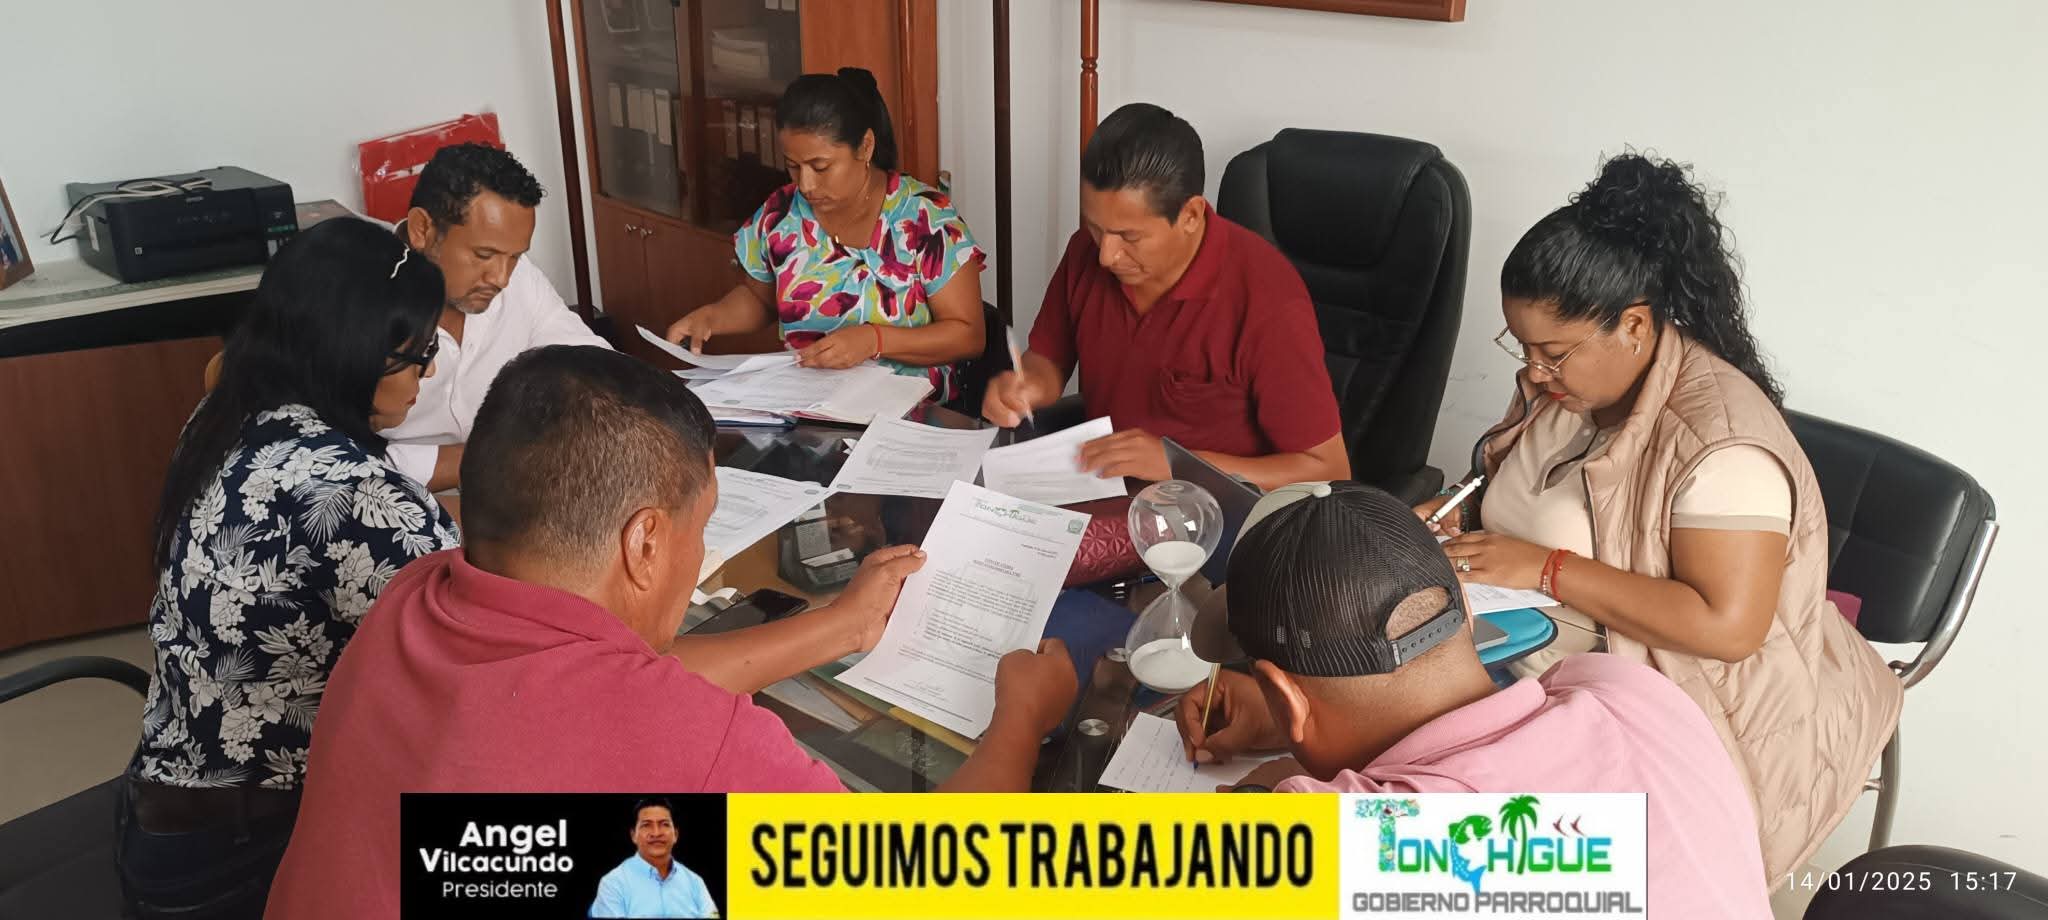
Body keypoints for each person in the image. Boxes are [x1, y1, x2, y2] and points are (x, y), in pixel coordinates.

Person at [266, 346, 1077, 919]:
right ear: (645, 542)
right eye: (703, 525)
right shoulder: (692, 749)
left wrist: (843, 625)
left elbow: (609, 684)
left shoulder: (413, 599)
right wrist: (1021, 719)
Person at [1417, 154, 1901, 878]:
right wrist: (1467, 511)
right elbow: (1542, 494)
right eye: (1521, 347)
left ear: (1635, 326)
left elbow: (1727, 628)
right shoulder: (1569, 391)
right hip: (1523, 656)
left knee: (1434, 847)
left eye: (1553, 353)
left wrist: (1547, 568)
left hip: (1668, 708)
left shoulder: (1721, 448)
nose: (1533, 372)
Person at [1179, 482, 1772, 918]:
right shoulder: (1628, 690)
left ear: (1284, 697)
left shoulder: (1365, 854)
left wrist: (1268, 789)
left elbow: (1127, 867)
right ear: (1466, 607)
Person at [118, 218, 459, 919]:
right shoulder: (360, 497)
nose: (428, 373)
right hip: (247, 855)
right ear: (352, 349)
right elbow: (482, 671)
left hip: (164, 808)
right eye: (418, 354)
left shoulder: (226, 414)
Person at [981, 102, 1347, 490]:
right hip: (1105, 488)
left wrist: (1178, 463)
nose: (1106, 255)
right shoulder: (1085, 252)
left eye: (1129, 236)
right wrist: (1028, 386)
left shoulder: (1267, 302)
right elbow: (1049, 360)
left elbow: (1328, 470)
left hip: (1214, 508)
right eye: (1095, 228)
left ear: (1191, 216)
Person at [665, 68, 985, 401]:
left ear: (865, 147)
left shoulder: (925, 218)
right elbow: (760, 300)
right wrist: (712, 317)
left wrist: (875, 340)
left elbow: (968, 336)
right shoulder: (780, 214)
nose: (806, 185)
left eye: (821, 167)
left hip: (906, 409)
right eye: (793, 166)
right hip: (808, 402)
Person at [380, 142, 612, 494]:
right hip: (396, 506)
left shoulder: (519, 280)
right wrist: (501, 456)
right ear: (421, 229)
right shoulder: (359, 299)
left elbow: (590, 363)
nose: (501, 278)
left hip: (513, 484)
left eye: (514, 257)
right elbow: (336, 459)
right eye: (484, 255)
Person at [590, 799, 719, 919]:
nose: (656, 833)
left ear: (676, 834)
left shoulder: (695, 882)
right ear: (633, 835)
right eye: (646, 825)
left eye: (664, 824)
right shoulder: (612, 883)